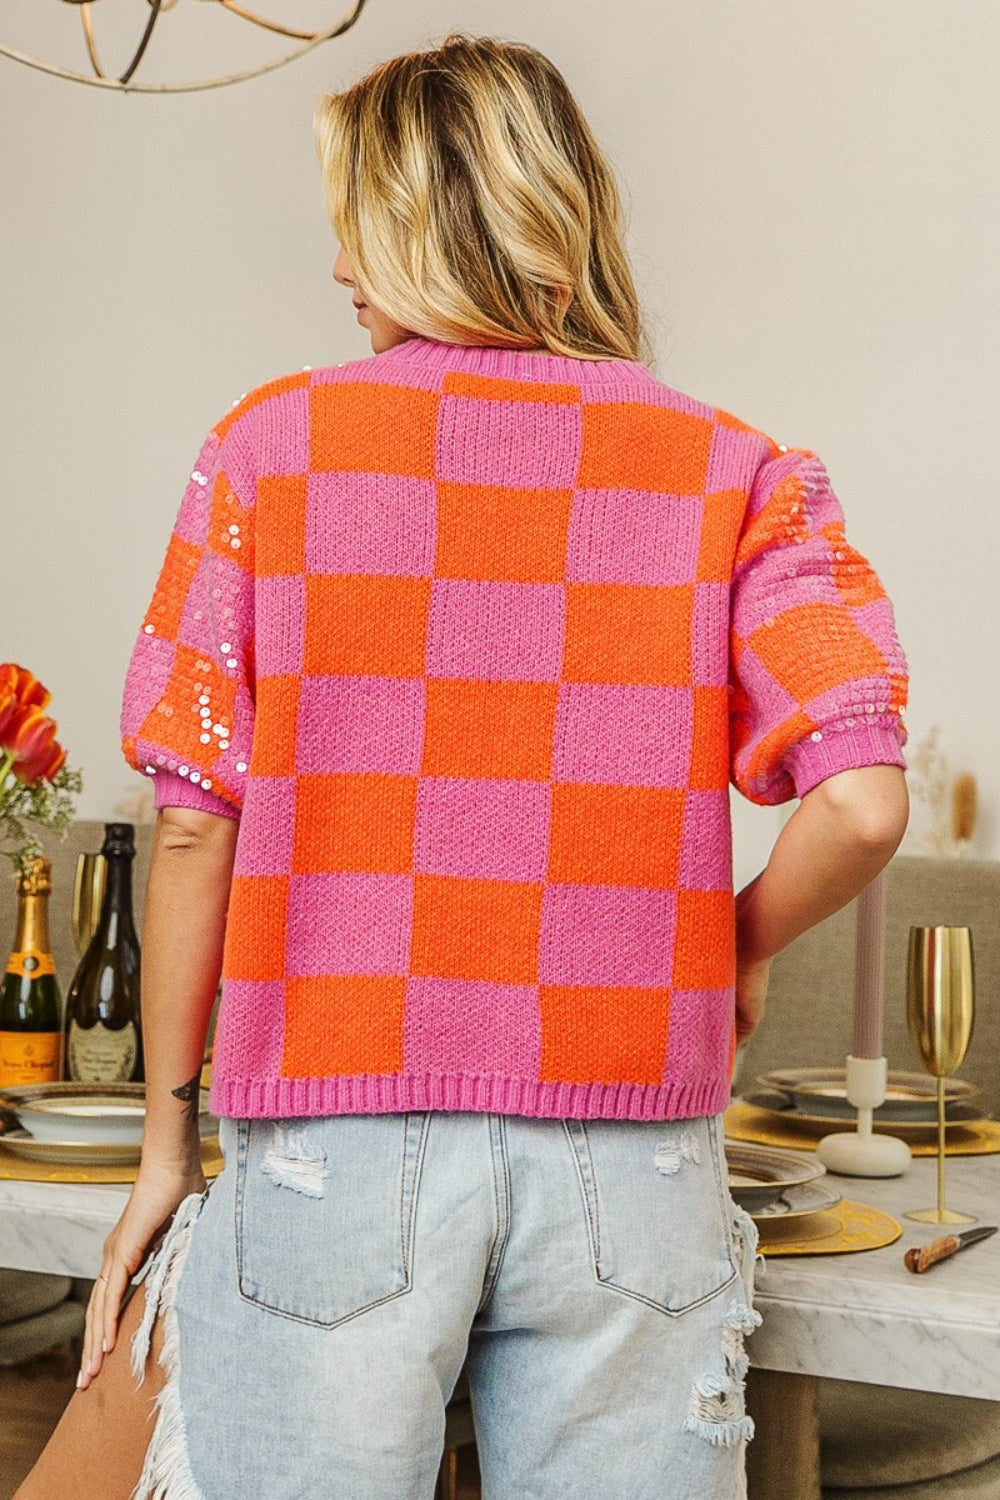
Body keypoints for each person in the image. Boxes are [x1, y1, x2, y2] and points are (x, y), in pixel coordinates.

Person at [18, 33, 909, 1500]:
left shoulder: (269, 452)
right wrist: (735, 947)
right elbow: (867, 802)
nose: (339, 274)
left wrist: (166, 1141)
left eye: (354, 233)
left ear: (421, 231)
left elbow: (192, 833)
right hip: (638, 1161)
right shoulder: (738, 471)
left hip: (331, 1145)